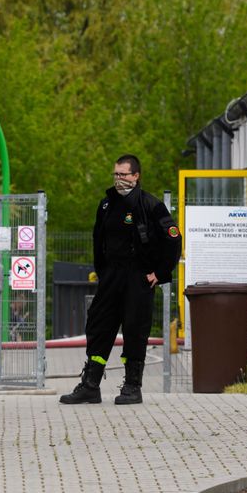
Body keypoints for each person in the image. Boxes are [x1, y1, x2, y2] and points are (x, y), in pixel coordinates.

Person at [60, 155, 181, 405]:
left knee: (135, 330)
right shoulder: (106, 205)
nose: (119, 179)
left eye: (124, 175)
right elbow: (97, 240)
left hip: (139, 277)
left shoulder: (151, 205)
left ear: (136, 176)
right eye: (116, 174)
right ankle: (91, 385)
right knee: (98, 325)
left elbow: (173, 238)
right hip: (111, 277)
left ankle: (132, 387)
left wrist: (159, 273)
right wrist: (103, 271)